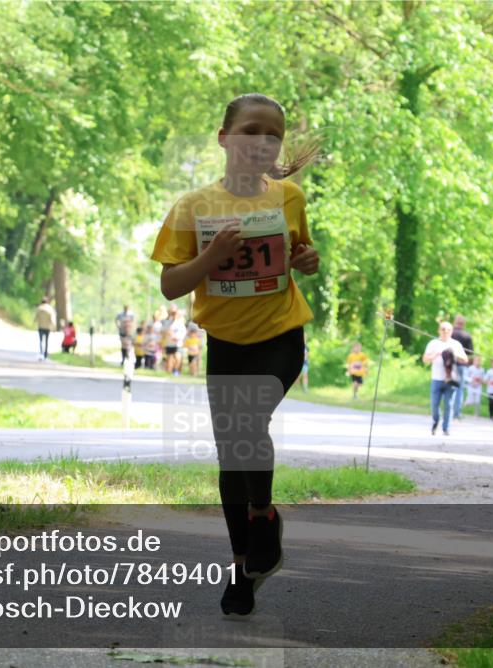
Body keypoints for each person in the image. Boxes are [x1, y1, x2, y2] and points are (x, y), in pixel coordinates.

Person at [151, 92, 319, 617]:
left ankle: (264, 515)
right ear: (224, 138)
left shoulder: (289, 197)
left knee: (248, 424)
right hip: (225, 343)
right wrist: (212, 256)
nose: (262, 142)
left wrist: (307, 260)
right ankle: (244, 569)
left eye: (272, 135)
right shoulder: (193, 207)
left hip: (280, 336)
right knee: (232, 462)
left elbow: (300, 255)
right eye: (250, 131)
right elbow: (170, 286)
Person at [422, 321, 468, 435]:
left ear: (451, 332)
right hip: (436, 379)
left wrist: (453, 354)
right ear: (439, 330)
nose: (445, 331)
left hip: (450, 379)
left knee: (448, 404)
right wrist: (437, 354)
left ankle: (446, 428)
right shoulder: (433, 343)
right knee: (434, 405)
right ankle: (435, 421)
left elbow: (465, 359)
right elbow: (425, 359)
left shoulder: (456, 344)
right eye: (443, 329)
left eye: (448, 329)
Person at [451, 315, 474, 421]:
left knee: (450, 388)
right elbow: (470, 354)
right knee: (459, 389)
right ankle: (456, 413)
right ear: (463, 324)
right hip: (462, 365)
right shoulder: (466, 336)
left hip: (449, 364)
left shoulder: (449, 333)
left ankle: (449, 412)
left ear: (454, 322)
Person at [34, 297, 56, 361]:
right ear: (47, 302)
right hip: (47, 327)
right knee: (46, 341)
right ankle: (45, 354)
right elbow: (52, 319)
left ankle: (41, 352)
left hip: (40, 326)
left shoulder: (39, 308)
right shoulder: (50, 309)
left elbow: (36, 318)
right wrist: (53, 327)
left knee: (41, 341)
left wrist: (35, 322)